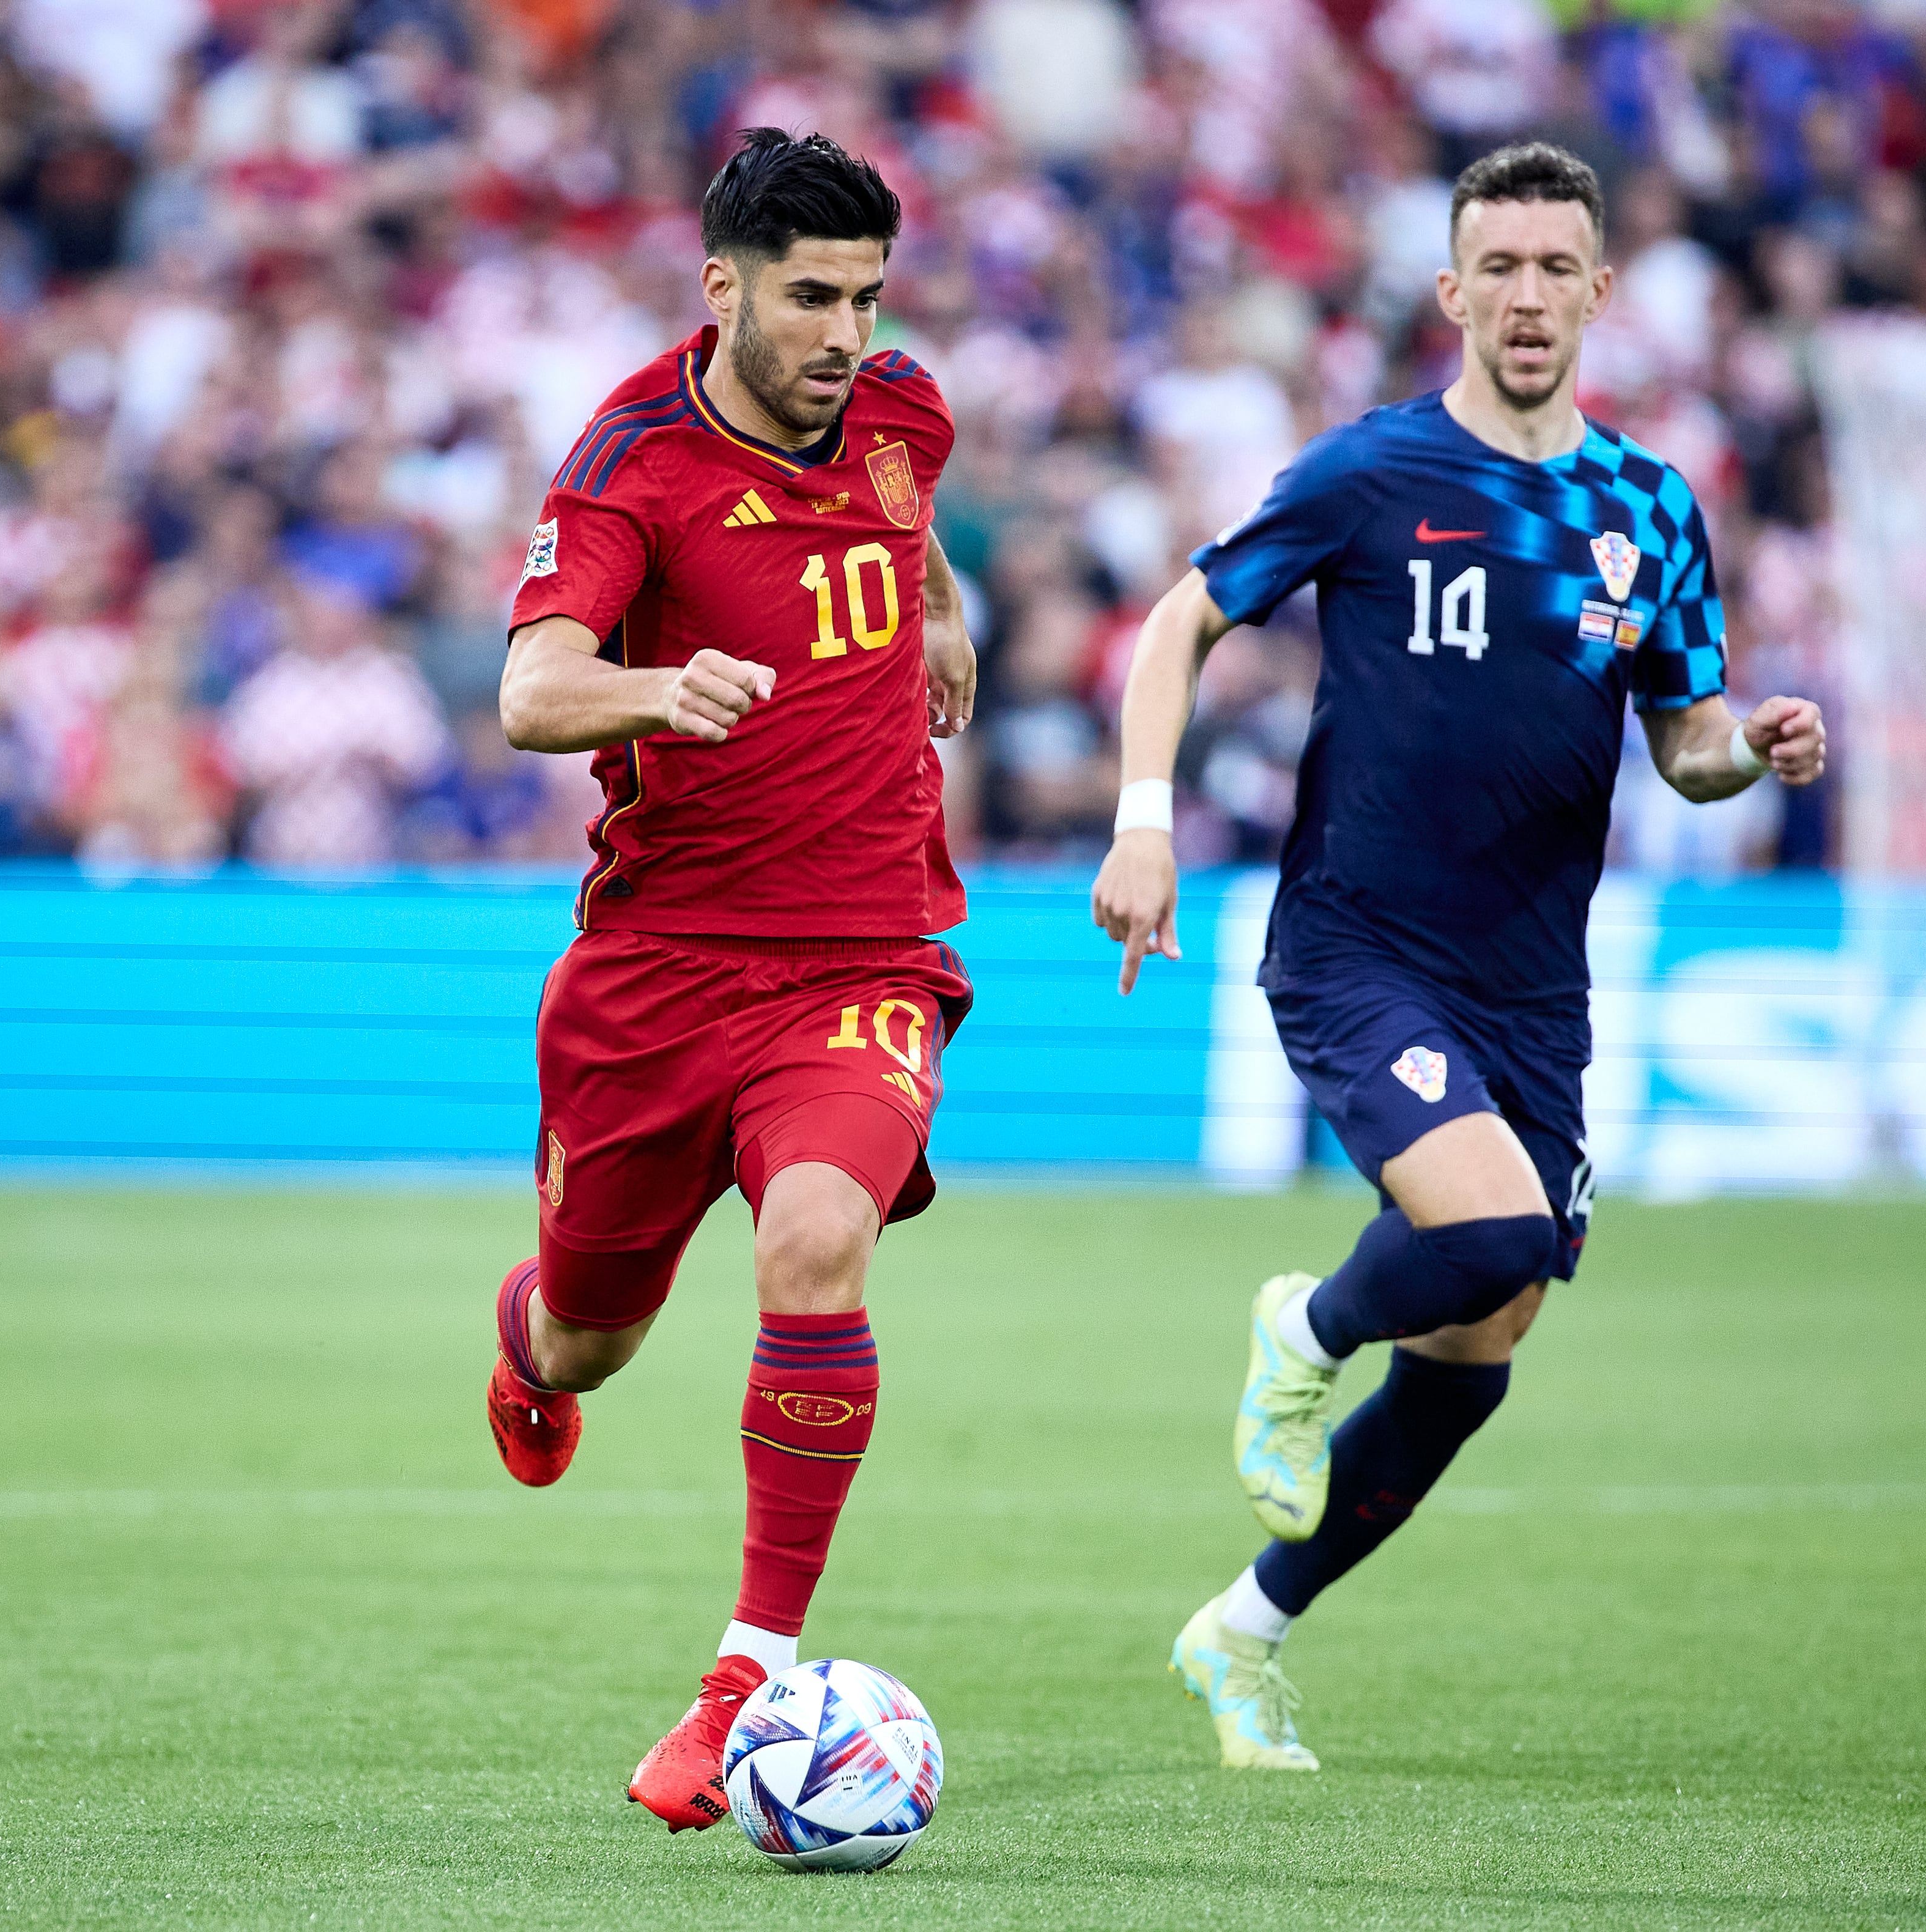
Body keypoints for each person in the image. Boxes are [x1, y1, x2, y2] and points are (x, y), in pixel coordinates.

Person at [1089, 142, 1826, 1771]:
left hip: (1531, 989)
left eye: (1556, 266)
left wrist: (1745, 748)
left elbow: (1682, 741)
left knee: (1481, 1347)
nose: (1526, 296)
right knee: (1487, 1235)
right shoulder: (1369, 473)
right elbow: (1179, 620)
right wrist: (1143, 818)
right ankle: (1301, 1329)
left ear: (1598, 292)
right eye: (1496, 267)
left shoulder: (1647, 509)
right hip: (1359, 941)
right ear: (1451, 291)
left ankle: (1245, 1631)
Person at [484, 128, 977, 1831]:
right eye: (810, 298)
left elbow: (899, 528)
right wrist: (657, 689)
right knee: (591, 1338)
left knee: (817, 1241)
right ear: (722, 288)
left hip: (861, 955)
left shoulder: (905, 409)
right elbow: (535, 694)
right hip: (656, 977)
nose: (845, 334)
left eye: (866, 296)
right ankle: (530, 1350)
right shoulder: (629, 465)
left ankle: (741, 1681)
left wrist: (943, 605)